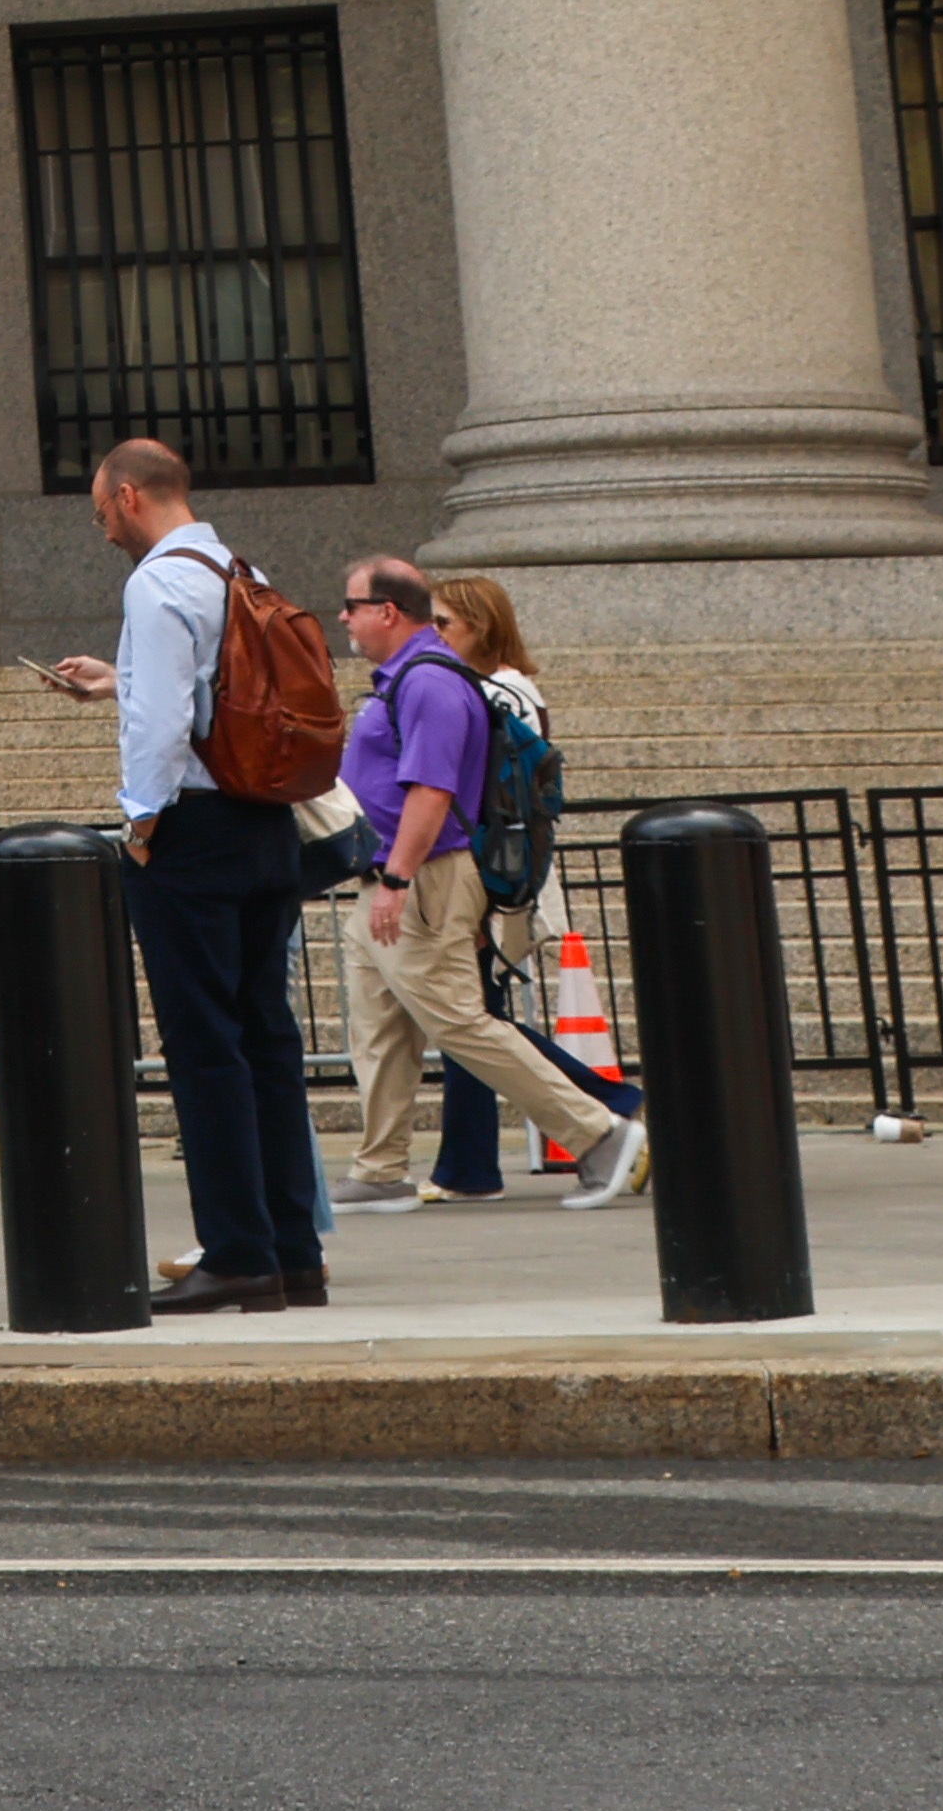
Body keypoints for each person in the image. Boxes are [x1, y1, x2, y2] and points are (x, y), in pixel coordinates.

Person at [40, 434, 326, 1312]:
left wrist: (139, 822)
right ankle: (290, 1251)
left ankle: (237, 1252)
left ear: (128, 496)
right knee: (265, 1040)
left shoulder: (156, 581)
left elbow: (165, 723)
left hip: (193, 833)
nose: (101, 534)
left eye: (98, 513)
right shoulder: (240, 566)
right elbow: (224, 694)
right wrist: (118, 681)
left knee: (204, 1049)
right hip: (265, 820)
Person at [323, 557, 646, 1215]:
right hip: (397, 877)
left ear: (387, 611)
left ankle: (601, 1137)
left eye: (351, 605)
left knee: (459, 1021)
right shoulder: (406, 680)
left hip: (421, 876)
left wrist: (394, 878)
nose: (343, 618)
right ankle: (380, 1168)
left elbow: (432, 791)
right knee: (380, 1025)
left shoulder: (428, 683)